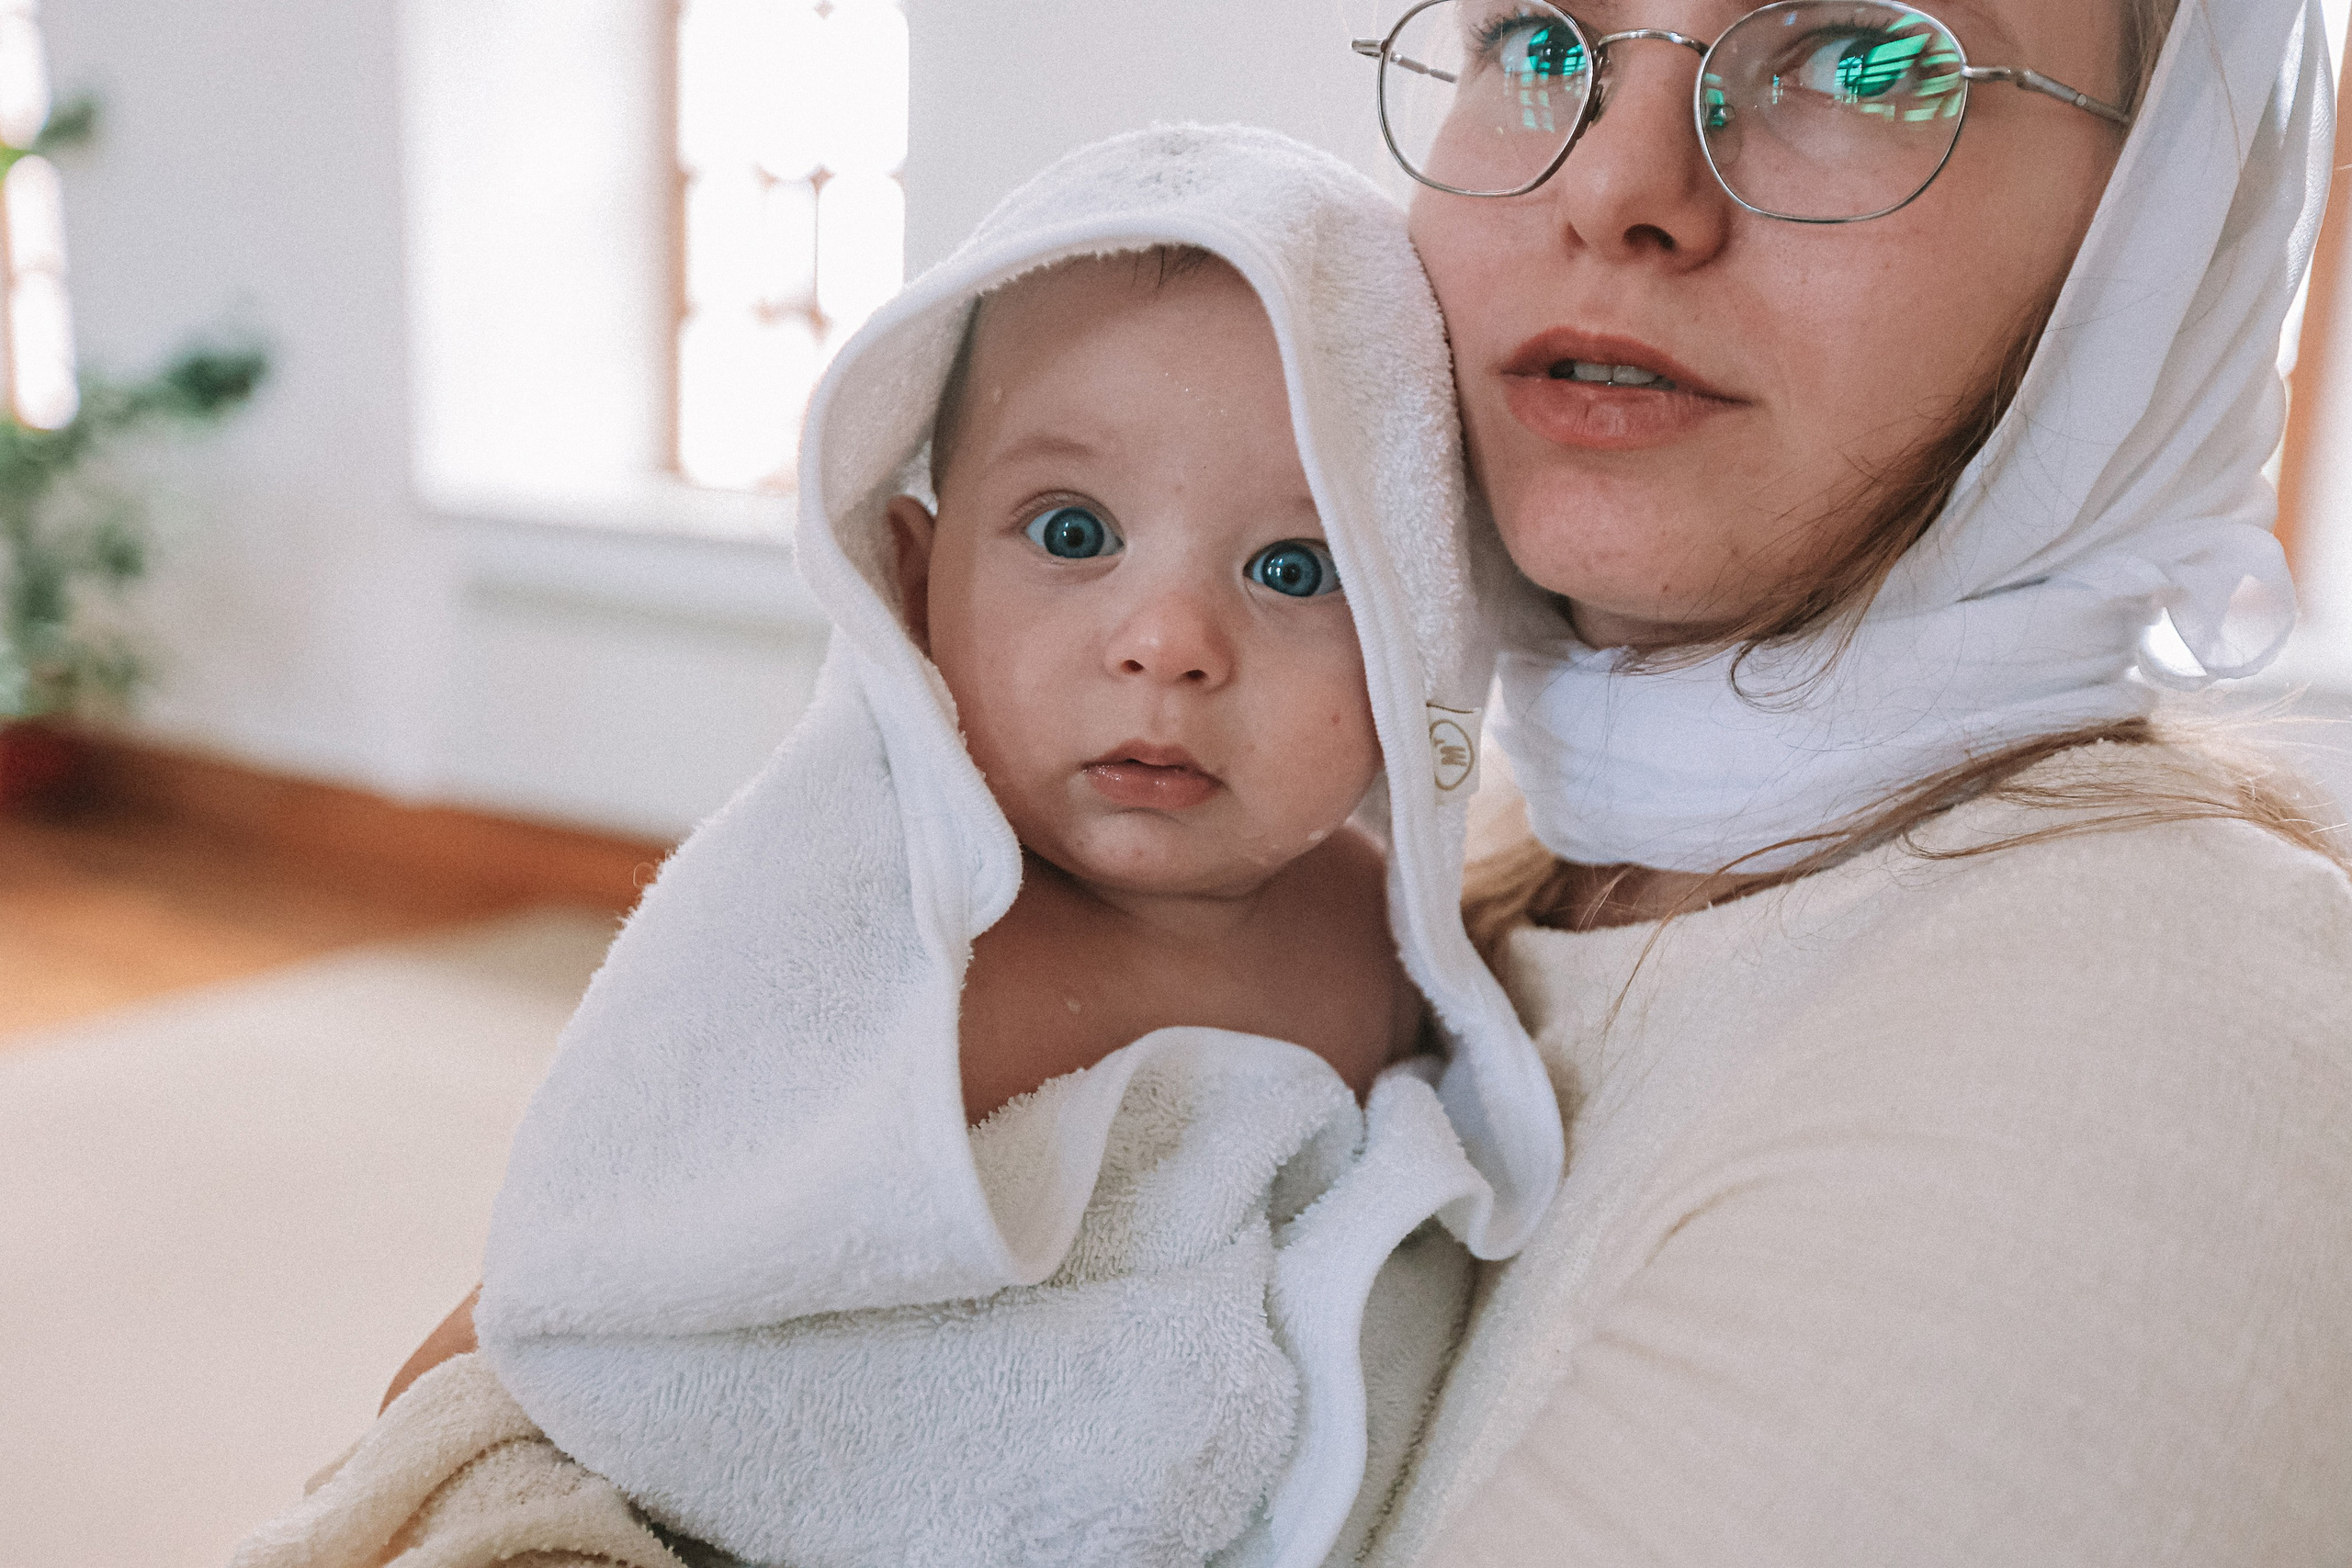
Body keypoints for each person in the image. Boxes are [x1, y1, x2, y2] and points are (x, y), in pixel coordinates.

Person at [234, 126, 1561, 1568]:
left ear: (1421, 638)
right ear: (917, 583)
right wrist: (422, 1458)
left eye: (1294, 570)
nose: (1168, 644)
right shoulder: (863, 911)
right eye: (1071, 531)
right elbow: (592, 1250)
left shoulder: (1376, 933)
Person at [1351, 0, 2352, 1562]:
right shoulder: (1396, 906)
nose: (1616, 184)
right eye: (1538, 41)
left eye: (1861, 57)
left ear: (2161, 224)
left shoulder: (2153, 1060)